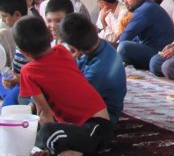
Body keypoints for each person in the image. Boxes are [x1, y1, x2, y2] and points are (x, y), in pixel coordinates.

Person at [14, 16, 113, 155]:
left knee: (45, 132)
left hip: (93, 130)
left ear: (24, 53)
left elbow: (43, 112)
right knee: (44, 134)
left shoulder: (28, 71)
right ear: (49, 37)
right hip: (101, 127)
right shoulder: (61, 50)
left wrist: (43, 142)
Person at [60, 13, 127, 126]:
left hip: (103, 119)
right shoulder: (99, 45)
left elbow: (74, 100)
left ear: (73, 48)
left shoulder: (98, 70)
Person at [117, 0, 174, 70]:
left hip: (159, 53)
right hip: (153, 50)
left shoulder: (144, 9)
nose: (125, 1)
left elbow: (125, 37)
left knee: (123, 47)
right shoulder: (146, 6)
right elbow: (134, 38)